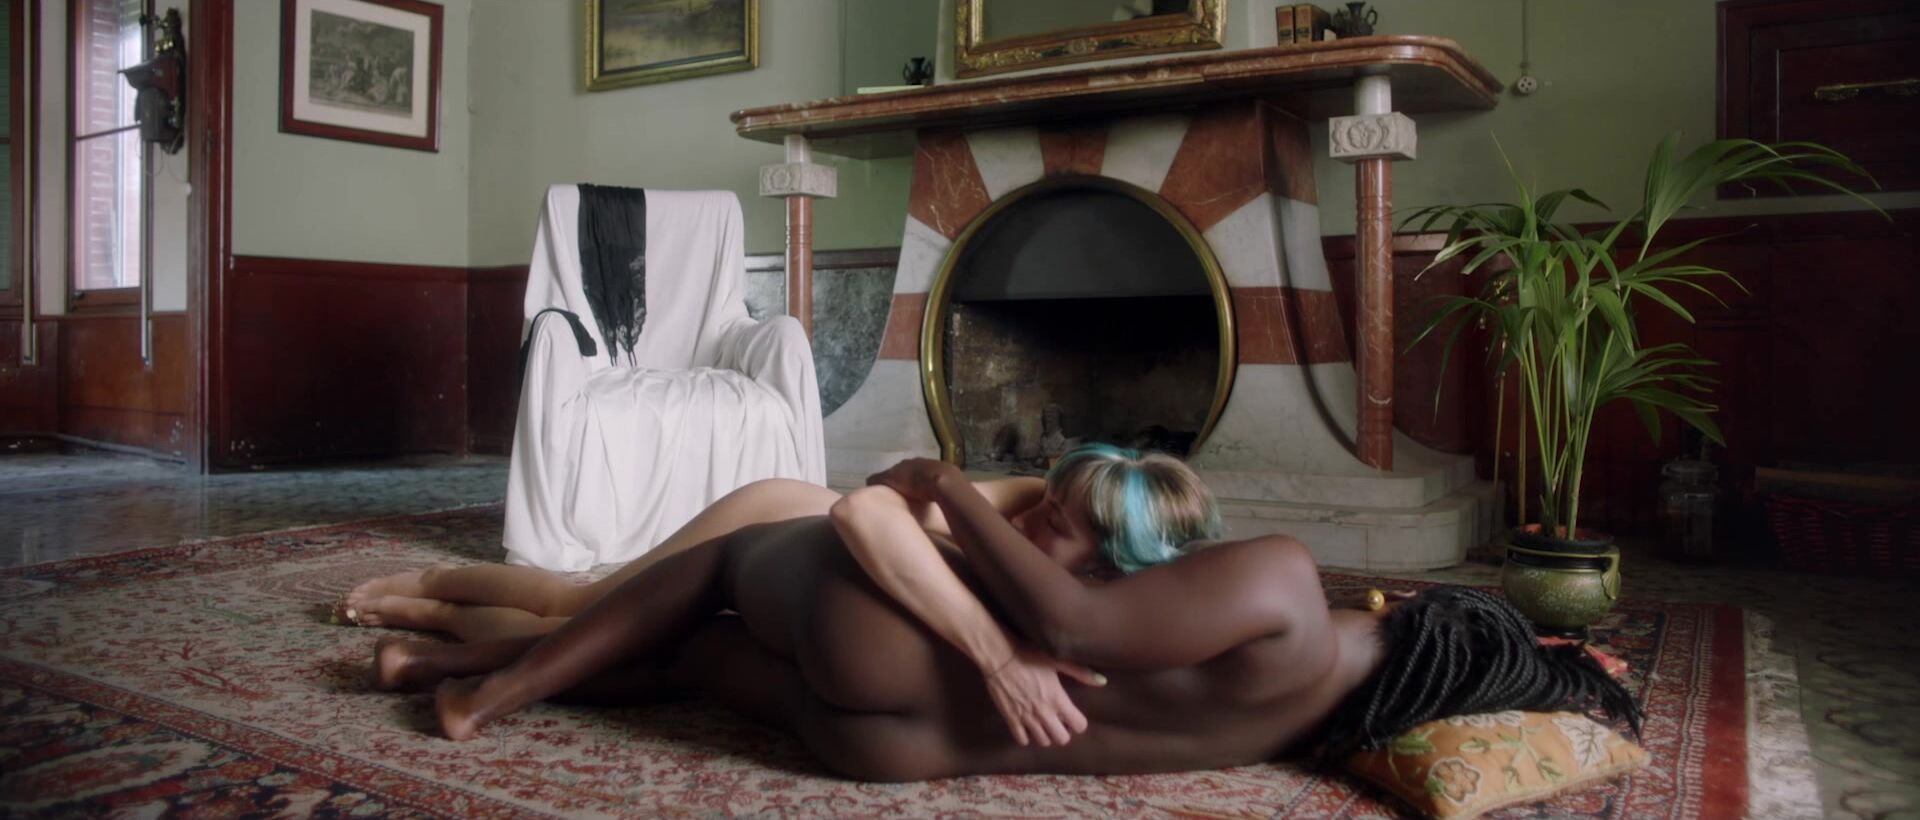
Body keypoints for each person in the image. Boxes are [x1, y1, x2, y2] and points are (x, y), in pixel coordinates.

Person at [370, 456, 1641, 779]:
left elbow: (1071, 631)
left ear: (1424, 618)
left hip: (891, 651)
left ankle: (484, 691)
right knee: (700, 662)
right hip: (887, 750)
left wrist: (937, 484)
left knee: (732, 565)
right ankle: (429, 656)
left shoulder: (1289, 589)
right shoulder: (1298, 728)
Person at [348, 444, 1223, 747]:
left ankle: (433, 636)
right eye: (1047, 502)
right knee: (577, 602)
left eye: (1057, 525)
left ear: (1107, 568)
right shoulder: (1025, 501)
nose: (1032, 520)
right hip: (784, 520)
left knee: (641, 640)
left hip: (815, 588)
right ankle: (426, 590)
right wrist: (996, 652)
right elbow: (874, 511)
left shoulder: (1091, 601)